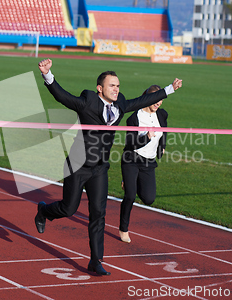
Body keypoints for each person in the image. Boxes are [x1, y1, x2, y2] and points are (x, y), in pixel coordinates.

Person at [34, 59, 182, 275]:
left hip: (100, 168)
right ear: (100, 88)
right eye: (112, 85)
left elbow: (143, 100)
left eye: (118, 85)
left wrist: (169, 89)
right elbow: (63, 96)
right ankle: (44, 211)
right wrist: (48, 75)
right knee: (68, 208)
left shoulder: (120, 104)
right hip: (78, 165)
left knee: (98, 213)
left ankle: (95, 260)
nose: (116, 89)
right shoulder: (87, 101)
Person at [119, 85, 167, 244]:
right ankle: (123, 229)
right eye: (156, 99)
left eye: (161, 100)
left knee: (149, 199)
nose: (158, 103)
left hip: (149, 162)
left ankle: (130, 182)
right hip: (132, 159)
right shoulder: (134, 118)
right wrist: (146, 137)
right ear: (147, 98)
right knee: (130, 195)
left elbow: (164, 132)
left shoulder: (162, 114)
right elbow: (131, 143)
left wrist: (162, 147)